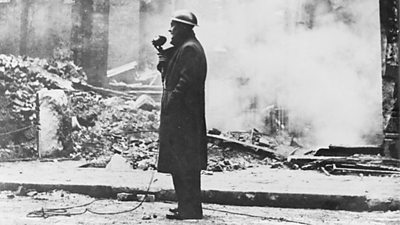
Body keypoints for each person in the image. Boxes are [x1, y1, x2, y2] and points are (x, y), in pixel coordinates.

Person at [155, 10, 207, 220]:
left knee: (185, 164)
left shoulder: (190, 50)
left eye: (174, 26)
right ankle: (186, 206)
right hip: (180, 117)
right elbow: (171, 76)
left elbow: (185, 83)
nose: (170, 30)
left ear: (184, 28)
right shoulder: (184, 49)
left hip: (184, 118)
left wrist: (172, 104)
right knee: (181, 164)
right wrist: (163, 58)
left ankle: (190, 209)